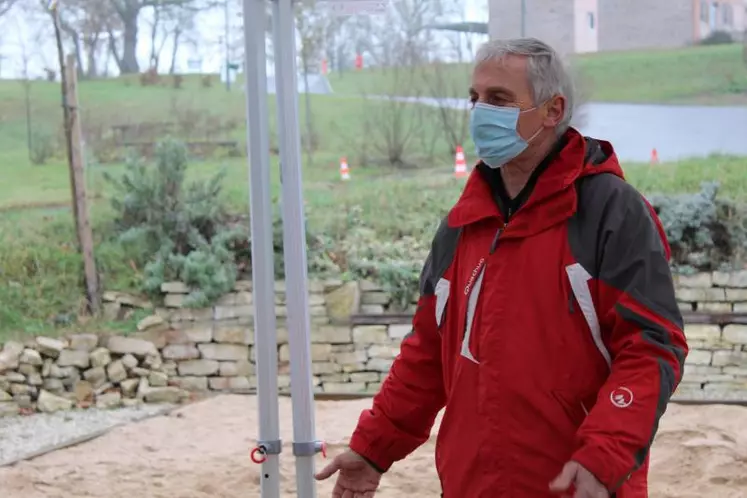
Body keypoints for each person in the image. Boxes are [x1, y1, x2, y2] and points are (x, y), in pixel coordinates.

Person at [315, 38, 689, 498]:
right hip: (469, 485)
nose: (480, 112)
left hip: (579, 486)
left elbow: (651, 347)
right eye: (474, 98)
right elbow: (427, 355)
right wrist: (373, 449)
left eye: (498, 99)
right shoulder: (461, 223)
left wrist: (606, 455)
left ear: (553, 110)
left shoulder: (613, 213)